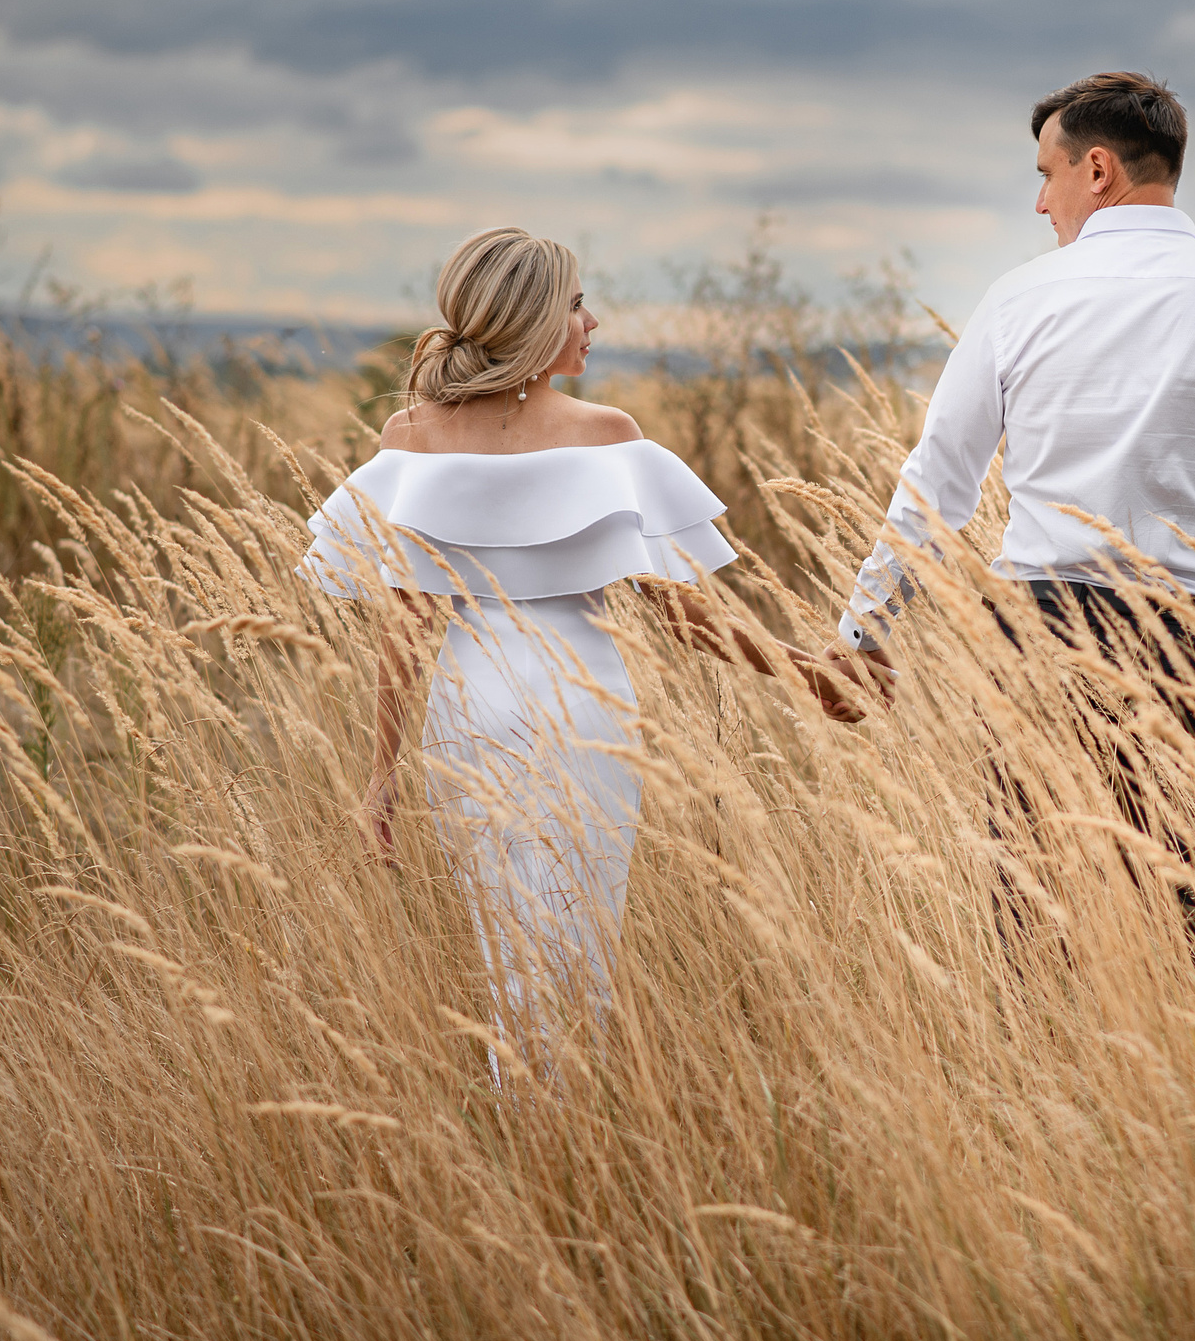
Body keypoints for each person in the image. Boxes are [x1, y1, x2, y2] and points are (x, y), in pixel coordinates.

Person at [303, 227, 861, 1062]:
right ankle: (560, 1130)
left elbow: (407, 623)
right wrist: (801, 672)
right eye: (573, 303)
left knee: (505, 952)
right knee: (579, 942)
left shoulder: (412, 434)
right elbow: (682, 613)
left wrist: (381, 774)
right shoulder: (604, 432)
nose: (590, 321)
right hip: (582, 702)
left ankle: (527, 1113)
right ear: (530, 317)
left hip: (468, 701)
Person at [829, 71, 1195, 934]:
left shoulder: (1019, 299)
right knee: (1189, 930)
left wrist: (865, 630)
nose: (1039, 202)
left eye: (1045, 173)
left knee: (1033, 924)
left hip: (1046, 635)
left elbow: (940, 478)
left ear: (1096, 170)